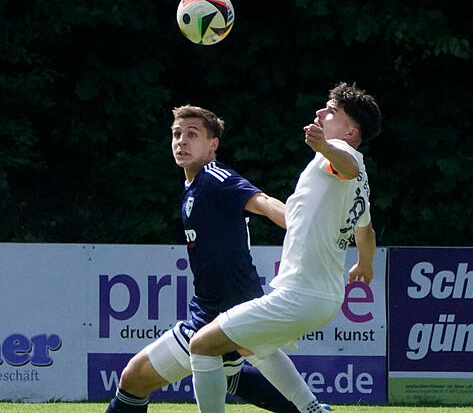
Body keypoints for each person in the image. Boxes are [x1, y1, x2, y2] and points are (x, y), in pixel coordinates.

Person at [106, 105, 330, 412]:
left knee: (133, 378)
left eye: (192, 134)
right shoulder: (194, 186)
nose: (181, 141)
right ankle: (311, 409)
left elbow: (263, 202)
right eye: (177, 134)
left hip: (217, 314)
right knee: (234, 367)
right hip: (221, 308)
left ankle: (310, 408)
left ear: (213, 144)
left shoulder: (214, 177)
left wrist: (305, 228)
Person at [188, 82, 382, 413]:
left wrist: (326, 147)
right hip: (324, 298)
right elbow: (367, 232)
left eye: (331, 111)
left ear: (350, 132)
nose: (320, 112)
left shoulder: (341, 154)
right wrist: (365, 265)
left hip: (301, 296)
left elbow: (346, 167)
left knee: (202, 345)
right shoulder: (360, 180)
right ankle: (311, 409)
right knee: (254, 348)